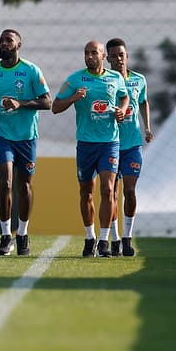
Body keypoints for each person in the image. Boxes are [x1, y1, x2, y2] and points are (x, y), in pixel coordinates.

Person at [52, 41, 129, 258]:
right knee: (86, 191)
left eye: (94, 52)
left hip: (110, 142)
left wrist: (122, 111)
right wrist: (73, 98)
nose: (89, 56)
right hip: (86, 143)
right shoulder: (75, 79)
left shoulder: (115, 78)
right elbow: (55, 107)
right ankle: (90, 237)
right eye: (86, 53)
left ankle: (104, 240)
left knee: (107, 189)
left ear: (104, 55)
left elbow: (124, 96)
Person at [0, 29, 52, 256]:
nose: (3, 43)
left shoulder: (31, 71)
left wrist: (21, 103)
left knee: (25, 185)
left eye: (8, 41)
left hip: (26, 137)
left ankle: (22, 233)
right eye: (1, 40)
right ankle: (5, 236)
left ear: (18, 46)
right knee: (6, 182)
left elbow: (47, 102)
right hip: (2, 134)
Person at [105, 38, 153, 257]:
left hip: (132, 144)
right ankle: (114, 239)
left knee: (130, 190)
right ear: (108, 58)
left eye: (121, 55)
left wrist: (147, 128)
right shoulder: (105, 80)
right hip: (110, 143)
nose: (118, 59)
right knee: (111, 193)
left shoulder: (139, 80)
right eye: (114, 56)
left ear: (127, 56)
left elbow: (143, 102)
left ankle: (127, 237)